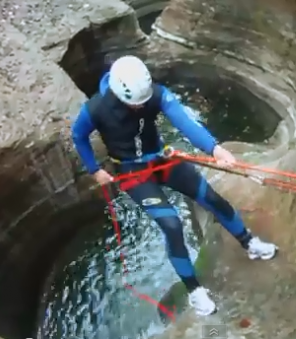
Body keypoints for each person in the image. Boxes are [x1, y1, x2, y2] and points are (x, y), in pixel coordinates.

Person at [71, 55, 278, 316]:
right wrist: (95, 170)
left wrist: (214, 148)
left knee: (211, 198)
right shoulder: (96, 108)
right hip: (131, 172)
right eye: (135, 104)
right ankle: (194, 292)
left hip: (161, 158)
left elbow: (184, 122)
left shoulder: (156, 94)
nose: (140, 107)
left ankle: (250, 244)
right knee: (171, 224)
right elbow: (78, 136)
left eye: (143, 103)